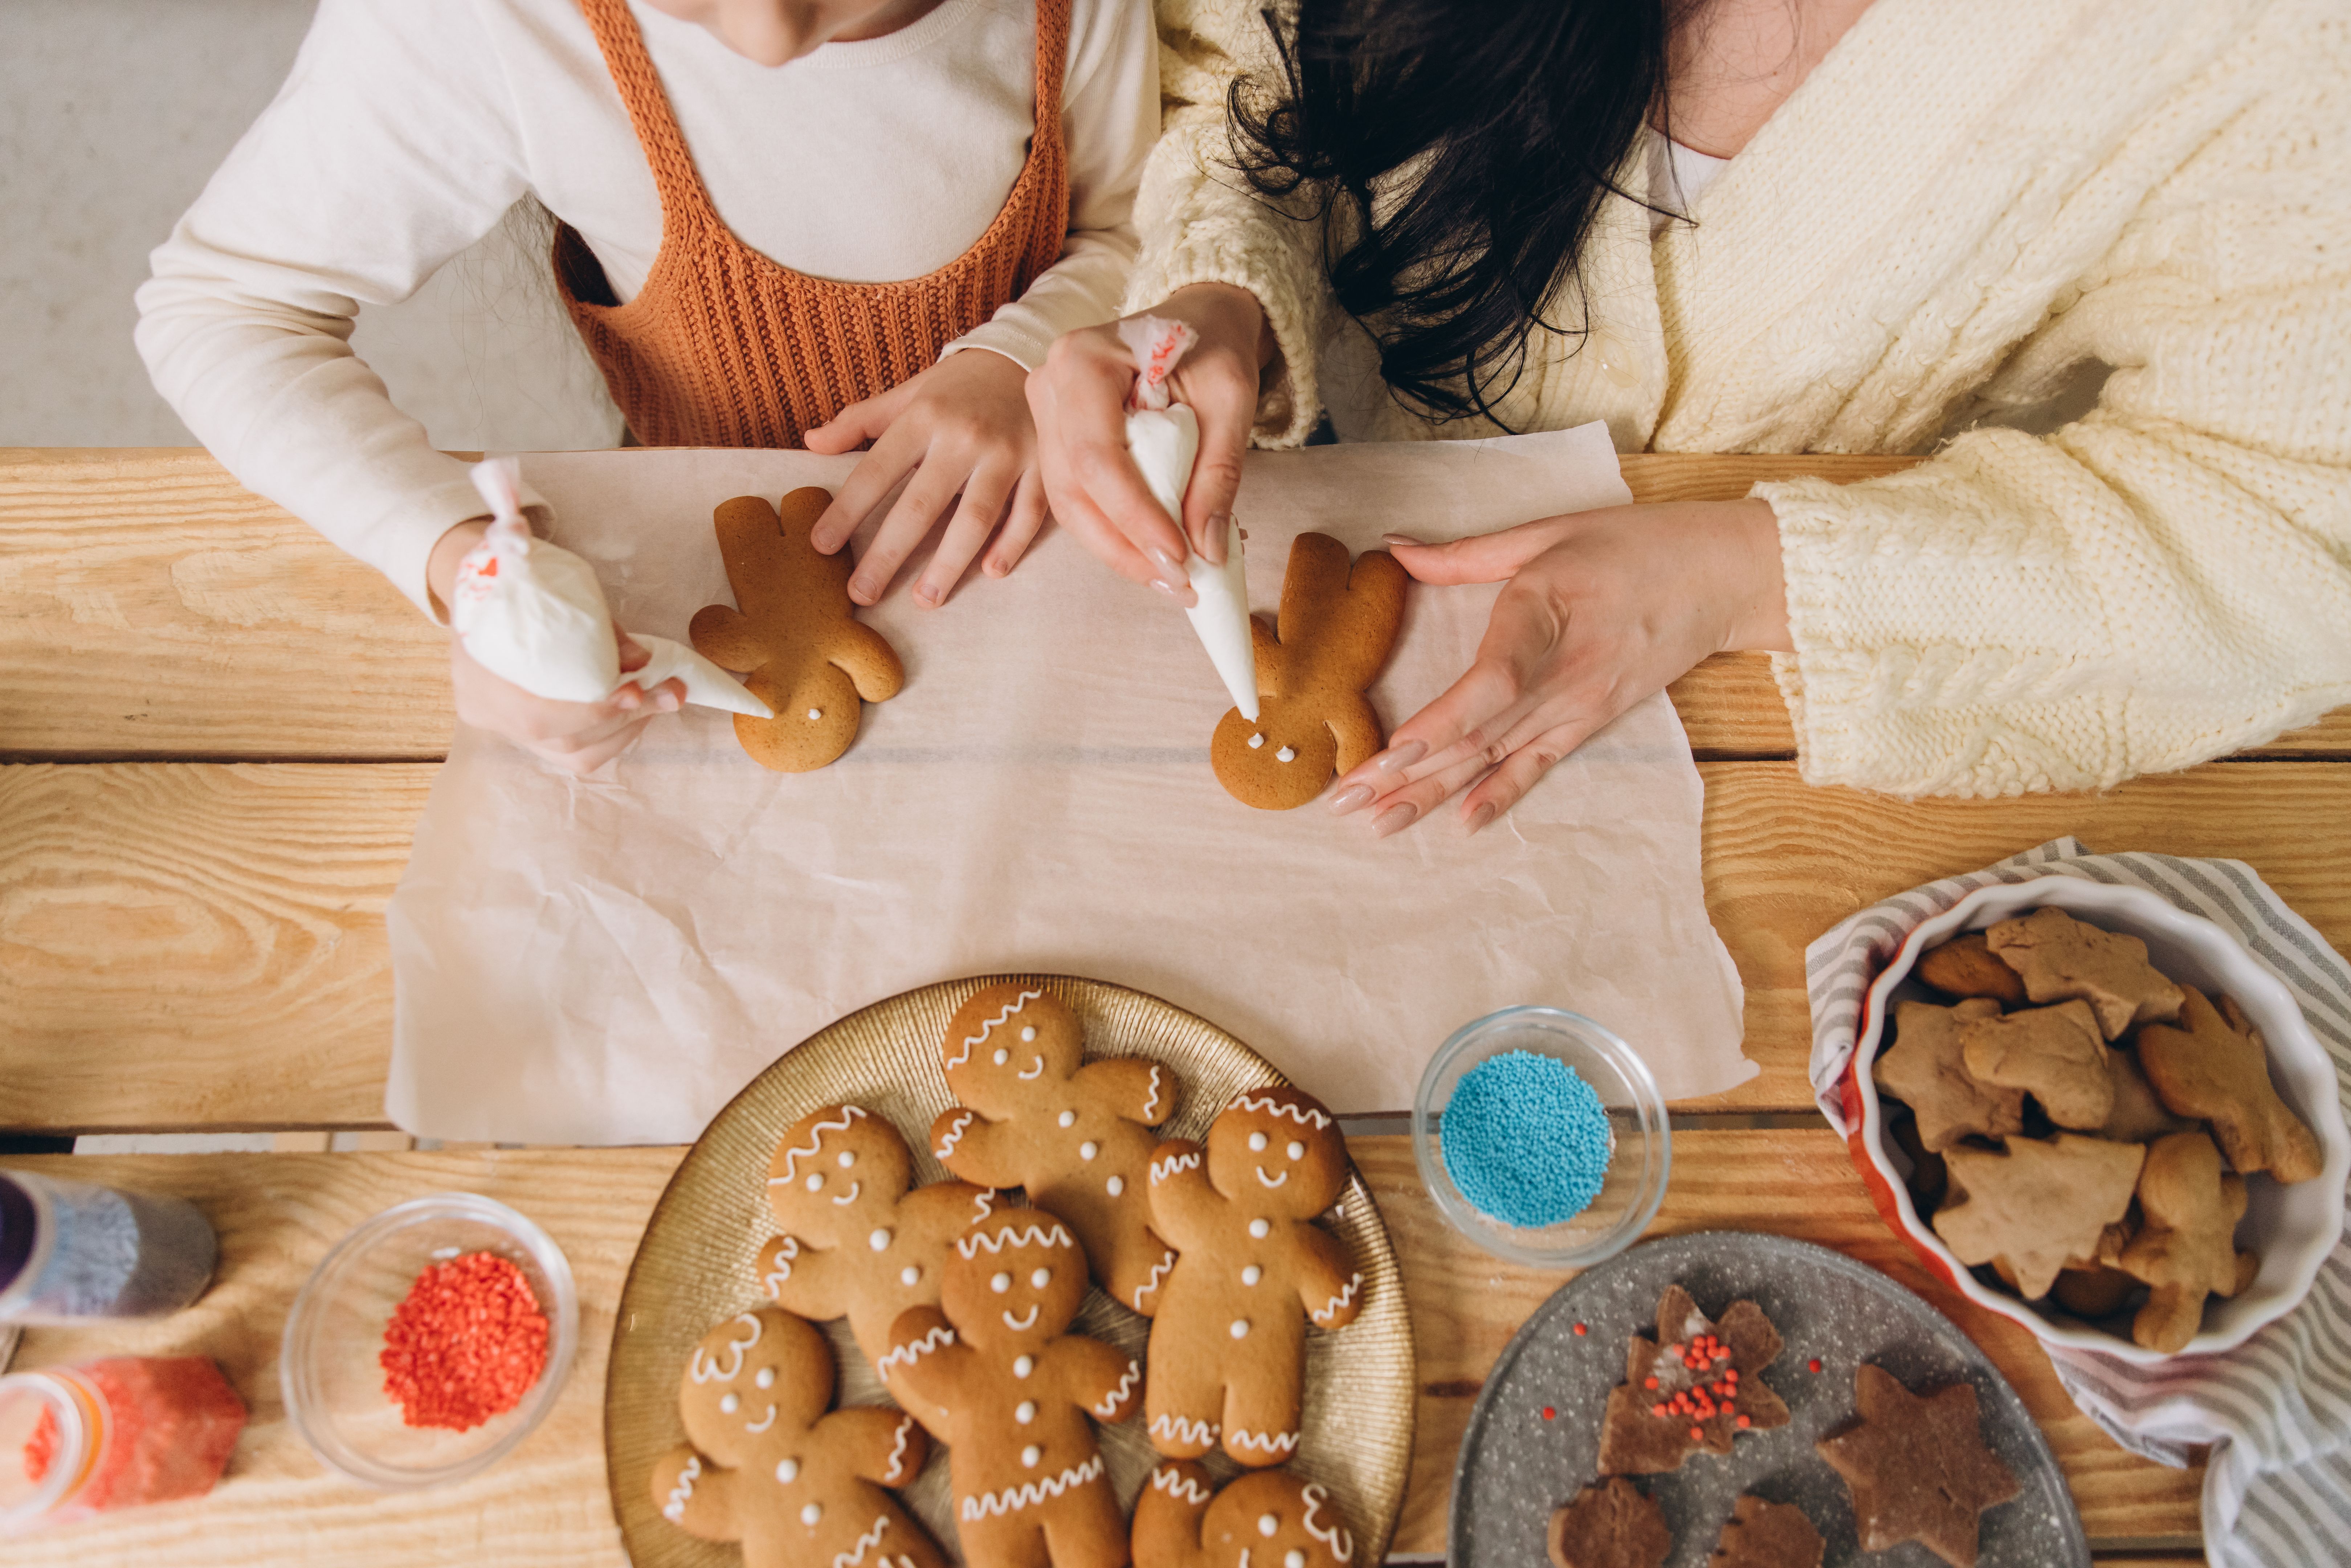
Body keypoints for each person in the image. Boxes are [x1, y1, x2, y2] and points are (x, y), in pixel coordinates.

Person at [1026, 0, 2351, 835]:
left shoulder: (2270, 51)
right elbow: (1242, 64)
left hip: (1752, 733)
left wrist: (1737, 573)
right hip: (1307, 497)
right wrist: (1218, 296)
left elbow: (2302, 531)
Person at [138, 0, 1157, 772]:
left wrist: (1021, 354)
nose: (767, 25)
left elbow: (1139, 222)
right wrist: (461, 566)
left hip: (1098, 521)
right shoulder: (478, 24)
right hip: (696, 547)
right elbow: (221, 310)